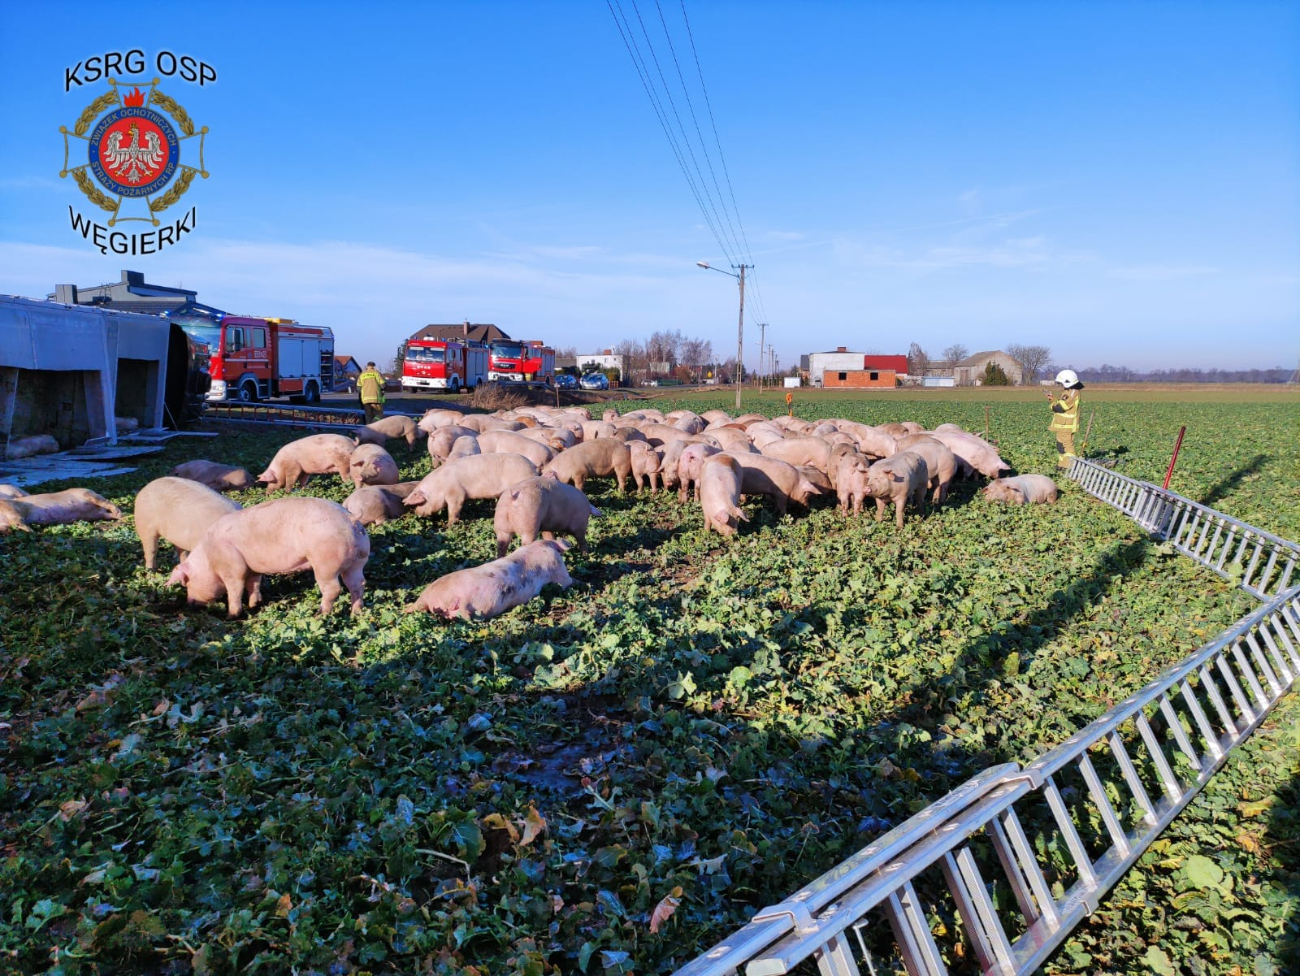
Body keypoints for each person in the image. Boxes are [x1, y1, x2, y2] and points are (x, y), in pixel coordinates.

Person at [1045, 369, 1083, 468]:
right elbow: (1061, 402)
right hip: (1062, 425)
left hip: (1067, 425)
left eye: (1062, 383)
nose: (1061, 385)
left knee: (1067, 447)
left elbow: (1061, 407)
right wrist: (1053, 399)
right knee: (1061, 446)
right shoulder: (1068, 391)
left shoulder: (1073, 392)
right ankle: (1062, 465)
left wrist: (1052, 405)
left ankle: (1070, 466)